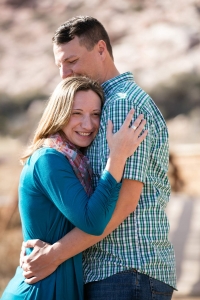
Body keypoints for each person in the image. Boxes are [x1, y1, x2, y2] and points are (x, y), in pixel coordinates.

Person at [20, 16, 176, 300]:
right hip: (122, 273)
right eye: (60, 65)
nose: (65, 73)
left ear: (101, 49)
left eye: (73, 61)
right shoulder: (106, 102)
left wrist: (53, 255)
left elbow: (125, 201)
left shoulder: (120, 106)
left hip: (124, 270)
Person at [1, 76, 147, 300]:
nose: (88, 125)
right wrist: (117, 157)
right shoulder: (49, 159)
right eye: (76, 113)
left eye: (95, 114)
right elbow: (93, 222)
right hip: (40, 290)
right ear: (59, 113)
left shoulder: (75, 161)